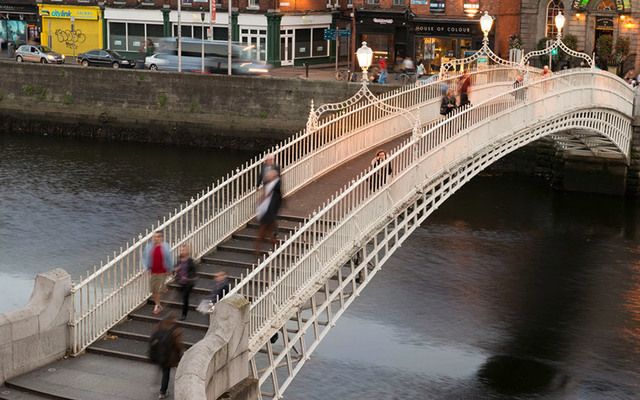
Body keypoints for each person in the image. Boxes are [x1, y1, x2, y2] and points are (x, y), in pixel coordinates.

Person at [149, 315, 183, 399]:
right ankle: (163, 392)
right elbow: (178, 344)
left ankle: (156, 384)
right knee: (166, 373)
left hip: (159, 354)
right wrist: (181, 352)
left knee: (161, 370)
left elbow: (153, 338)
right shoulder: (175, 330)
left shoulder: (159, 327)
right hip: (169, 356)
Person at [144, 231, 173, 315]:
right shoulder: (149, 247)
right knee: (153, 290)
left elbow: (168, 259)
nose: (156, 238)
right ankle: (158, 304)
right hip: (153, 271)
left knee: (157, 289)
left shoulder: (165, 247)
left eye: (158, 237)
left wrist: (170, 269)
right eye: (155, 237)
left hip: (162, 271)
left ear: (161, 238)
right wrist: (147, 267)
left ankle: (157, 305)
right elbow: (146, 258)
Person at [255, 169, 282, 255]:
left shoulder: (275, 184)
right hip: (268, 210)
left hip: (269, 210)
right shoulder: (270, 184)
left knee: (265, 229)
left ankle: (258, 247)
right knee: (268, 229)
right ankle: (272, 242)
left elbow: (268, 195)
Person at [174, 244, 197, 320]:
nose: (181, 251)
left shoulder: (190, 261)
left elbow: (193, 272)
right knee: (182, 296)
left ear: (187, 251)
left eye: (183, 250)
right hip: (181, 281)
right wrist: (176, 270)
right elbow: (175, 270)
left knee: (185, 298)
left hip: (188, 283)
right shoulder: (179, 260)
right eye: (181, 250)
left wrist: (187, 278)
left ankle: (184, 315)